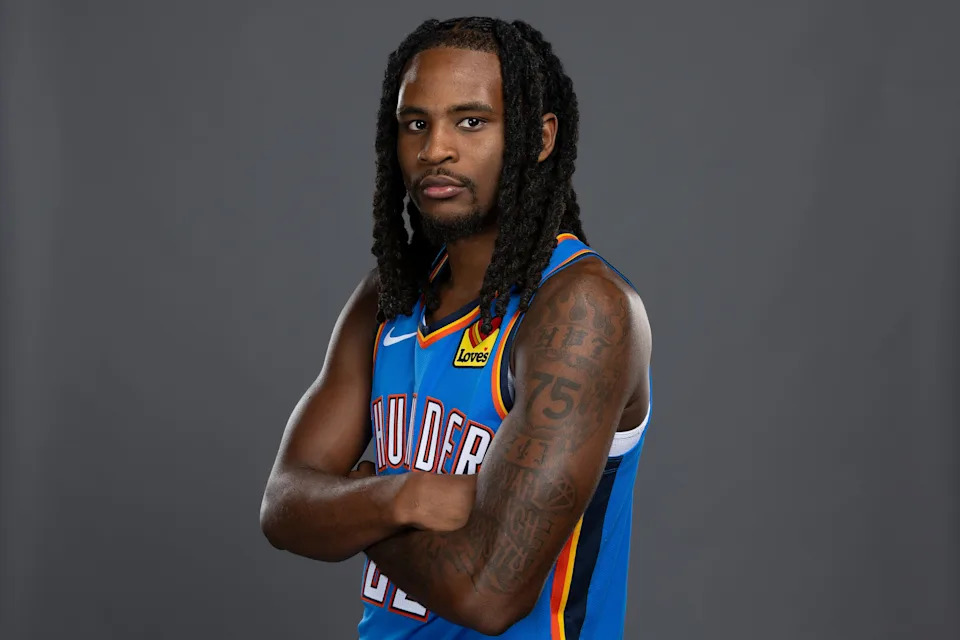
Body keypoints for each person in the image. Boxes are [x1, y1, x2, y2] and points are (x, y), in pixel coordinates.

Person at [260, 16, 652, 639]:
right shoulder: (388, 296)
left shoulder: (580, 309)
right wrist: (401, 497)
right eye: (416, 122)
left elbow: (487, 594)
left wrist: (355, 505)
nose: (434, 148)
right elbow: (283, 506)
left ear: (539, 137)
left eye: (471, 121)